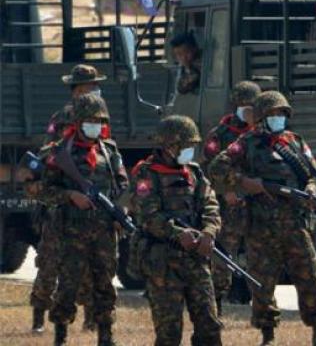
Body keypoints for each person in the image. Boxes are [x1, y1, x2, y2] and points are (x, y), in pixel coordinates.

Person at [208, 91, 316, 346]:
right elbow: (217, 167)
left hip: (296, 224)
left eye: (282, 114)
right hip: (261, 227)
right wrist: (245, 183)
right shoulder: (245, 143)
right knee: (262, 284)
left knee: (311, 278)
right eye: (273, 114)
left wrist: (312, 190)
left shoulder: (294, 142)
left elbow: (314, 175)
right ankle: (268, 335)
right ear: (260, 118)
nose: (279, 118)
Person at [36, 94, 128, 346]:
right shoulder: (59, 152)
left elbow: (122, 184)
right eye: (90, 121)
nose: (95, 125)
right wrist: (70, 195)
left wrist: (121, 210)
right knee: (67, 285)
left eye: (99, 121)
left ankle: (106, 335)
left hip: (104, 232)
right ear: (78, 122)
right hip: (71, 231)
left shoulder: (109, 152)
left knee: (105, 285)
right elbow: (42, 190)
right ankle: (61, 335)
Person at [131, 115, 223, 346]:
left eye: (192, 145)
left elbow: (210, 206)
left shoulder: (195, 173)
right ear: (168, 146)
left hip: (196, 259)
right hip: (162, 262)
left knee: (210, 327)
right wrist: (176, 233)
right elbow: (147, 214)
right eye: (185, 146)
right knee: (169, 332)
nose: (189, 150)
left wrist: (209, 232)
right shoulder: (146, 174)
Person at [29, 64, 103, 333]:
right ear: (78, 89)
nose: (96, 89)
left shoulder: (98, 116)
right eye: (91, 85)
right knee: (49, 261)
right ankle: (39, 317)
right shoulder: (62, 118)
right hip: (61, 201)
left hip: (88, 202)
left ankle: (91, 319)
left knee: (89, 264)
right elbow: (51, 155)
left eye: (96, 85)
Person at [203, 80, 261, 313]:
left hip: (257, 204)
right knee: (224, 254)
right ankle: (215, 304)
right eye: (244, 105)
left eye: (253, 105)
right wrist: (225, 190)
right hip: (230, 205)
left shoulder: (262, 134)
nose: (248, 109)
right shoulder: (220, 134)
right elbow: (209, 168)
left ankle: (258, 303)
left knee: (258, 254)